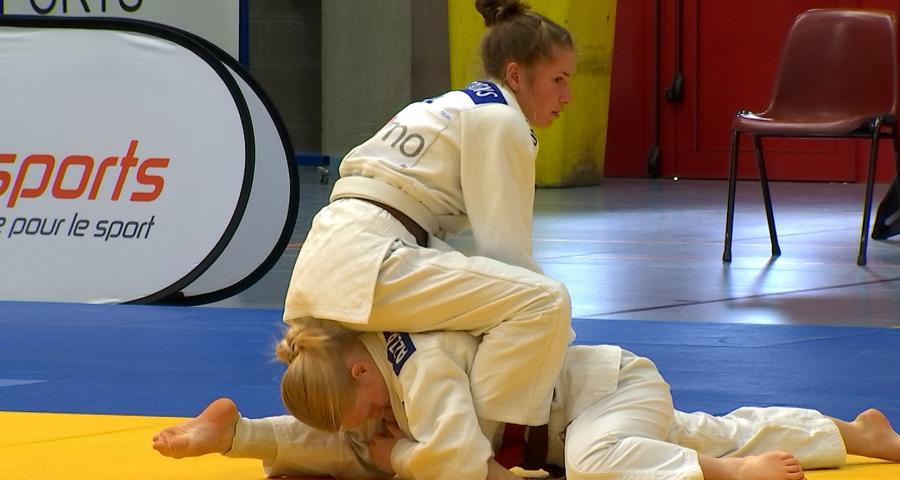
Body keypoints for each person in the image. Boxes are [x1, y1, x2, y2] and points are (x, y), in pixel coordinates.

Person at [280, 0, 576, 432]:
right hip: (373, 262)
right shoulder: (501, 120)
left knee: (357, 402)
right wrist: (553, 354)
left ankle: (255, 435)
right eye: (559, 80)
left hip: (328, 258)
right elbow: (506, 255)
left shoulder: (447, 104)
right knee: (543, 303)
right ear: (516, 75)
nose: (567, 96)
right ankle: (488, 442)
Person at [153, 320, 900, 480]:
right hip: (567, 421)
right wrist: (381, 446)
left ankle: (728, 477)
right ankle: (237, 433)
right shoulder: (380, 379)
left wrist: (395, 451)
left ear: (359, 374)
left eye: (363, 407)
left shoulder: (425, 371)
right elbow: (355, 433)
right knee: (702, 433)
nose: (374, 421)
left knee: (604, 462)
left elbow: (465, 467)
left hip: (601, 390)